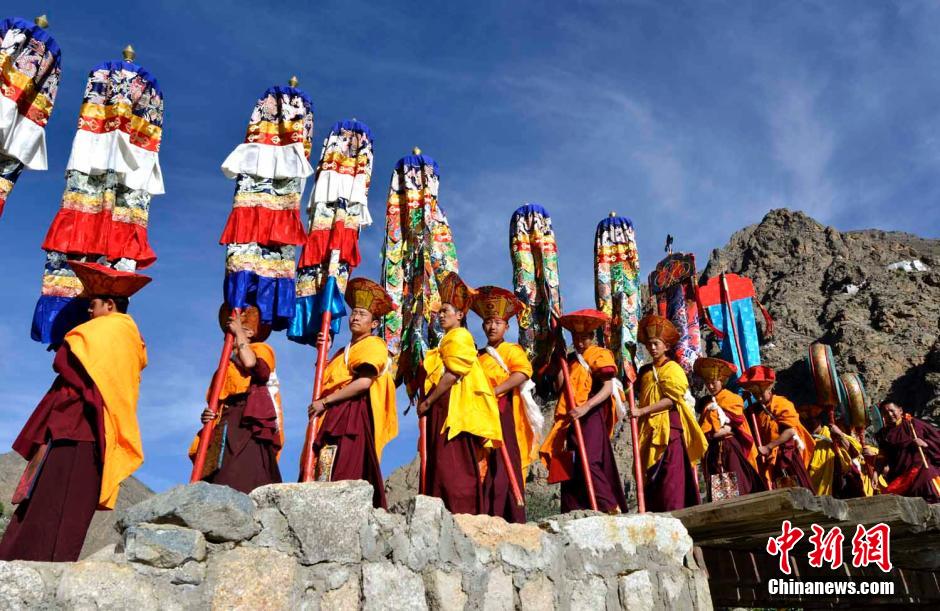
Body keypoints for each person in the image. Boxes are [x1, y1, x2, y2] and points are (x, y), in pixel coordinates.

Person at [0, 262, 149, 562]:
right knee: (54, 505)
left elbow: (65, 361)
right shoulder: (126, 335)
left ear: (110, 305)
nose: (89, 311)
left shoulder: (112, 329)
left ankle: (34, 568)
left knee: (53, 504)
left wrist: (67, 342)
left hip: (80, 430)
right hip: (84, 430)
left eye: (93, 304)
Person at [308, 278, 398, 509]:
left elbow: (364, 382)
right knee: (325, 469)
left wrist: (325, 402)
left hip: (352, 414)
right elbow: (329, 379)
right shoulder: (342, 351)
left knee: (345, 470)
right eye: (354, 313)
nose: (356, 317)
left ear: (374, 323)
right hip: (334, 413)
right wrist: (325, 351)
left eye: (362, 314)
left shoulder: (374, 344)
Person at [418, 272, 502, 515]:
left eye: (446, 311)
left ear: (460, 315)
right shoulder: (446, 341)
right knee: (442, 463)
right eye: (440, 312)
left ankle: (462, 514)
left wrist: (428, 402)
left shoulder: (460, 336)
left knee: (453, 465)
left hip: (452, 407)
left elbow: (454, 373)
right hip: (443, 406)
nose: (441, 315)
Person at [540, 309, 628, 513]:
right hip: (572, 417)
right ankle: (576, 508)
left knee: (589, 459)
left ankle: (609, 506)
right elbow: (561, 387)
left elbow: (608, 387)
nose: (580, 342)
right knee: (574, 462)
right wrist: (559, 360)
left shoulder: (599, 354)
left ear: (592, 336)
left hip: (591, 414)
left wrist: (586, 407)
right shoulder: (571, 359)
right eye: (576, 337)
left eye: (584, 337)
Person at [192, 305, 282, 494]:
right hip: (225, 423)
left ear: (249, 332)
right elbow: (216, 400)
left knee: (243, 475)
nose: (229, 333)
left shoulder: (261, 349)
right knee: (217, 477)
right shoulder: (224, 365)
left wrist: (238, 333)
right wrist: (209, 415)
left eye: (239, 328)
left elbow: (252, 364)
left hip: (248, 420)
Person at [470, 285, 542, 523]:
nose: (492, 326)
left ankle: (510, 516)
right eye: (488, 322)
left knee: (504, 463)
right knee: (484, 464)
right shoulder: (478, 356)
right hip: (481, 415)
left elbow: (522, 373)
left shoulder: (511, 350)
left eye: (498, 322)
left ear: (506, 327)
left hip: (503, 411)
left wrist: (495, 391)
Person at [633, 314, 707, 511]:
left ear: (666, 346)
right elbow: (634, 391)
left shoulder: (673, 368)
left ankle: (675, 513)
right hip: (649, 429)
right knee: (653, 479)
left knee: (670, 476)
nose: (652, 348)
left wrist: (642, 410)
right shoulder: (645, 371)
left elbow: (672, 399)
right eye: (649, 344)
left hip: (669, 428)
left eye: (656, 344)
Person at [694, 357, 765, 500]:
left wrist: (716, 433)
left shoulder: (732, 399)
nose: (711, 386)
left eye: (714, 382)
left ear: (722, 381)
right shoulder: (708, 405)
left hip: (730, 447)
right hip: (714, 450)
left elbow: (734, 424)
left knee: (737, 481)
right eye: (708, 383)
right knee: (718, 484)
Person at [738, 365, 814, 490]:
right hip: (768, 457)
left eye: (761, 393)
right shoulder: (754, 410)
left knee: (795, 488)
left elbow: (790, 431)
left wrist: (769, 447)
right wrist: (742, 401)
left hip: (785, 455)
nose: (758, 397)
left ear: (769, 389)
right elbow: (742, 423)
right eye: (755, 394)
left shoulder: (781, 403)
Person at [800, 405, 871, 498]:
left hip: (840, 484)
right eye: (807, 420)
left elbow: (854, 453)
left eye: (813, 419)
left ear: (820, 420)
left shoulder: (831, 434)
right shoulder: (803, 440)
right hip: (816, 487)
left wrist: (839, 434)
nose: (810, 423)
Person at [877, 401, 940, 503]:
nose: (889, 414)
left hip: (921, 470)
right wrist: (876, 473)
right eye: (885, 413)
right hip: (900, 476)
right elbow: (882, 456)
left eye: (892, 411)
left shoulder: (913, 424)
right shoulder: (883, 434)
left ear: (900, 410)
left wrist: (925, 443)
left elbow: (937, 439)